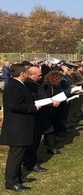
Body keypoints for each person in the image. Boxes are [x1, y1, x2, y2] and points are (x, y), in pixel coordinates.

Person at [0, 63, 40, 192]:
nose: (28, 75)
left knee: (20, 154)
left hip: (22, 126)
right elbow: (14, 105)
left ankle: (18, 176)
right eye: (27, 72)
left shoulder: (18, 84)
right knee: (15, 155)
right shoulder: (13, 86)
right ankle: (11, 181)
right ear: (22, 73)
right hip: (17, 127)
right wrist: (33, 108)